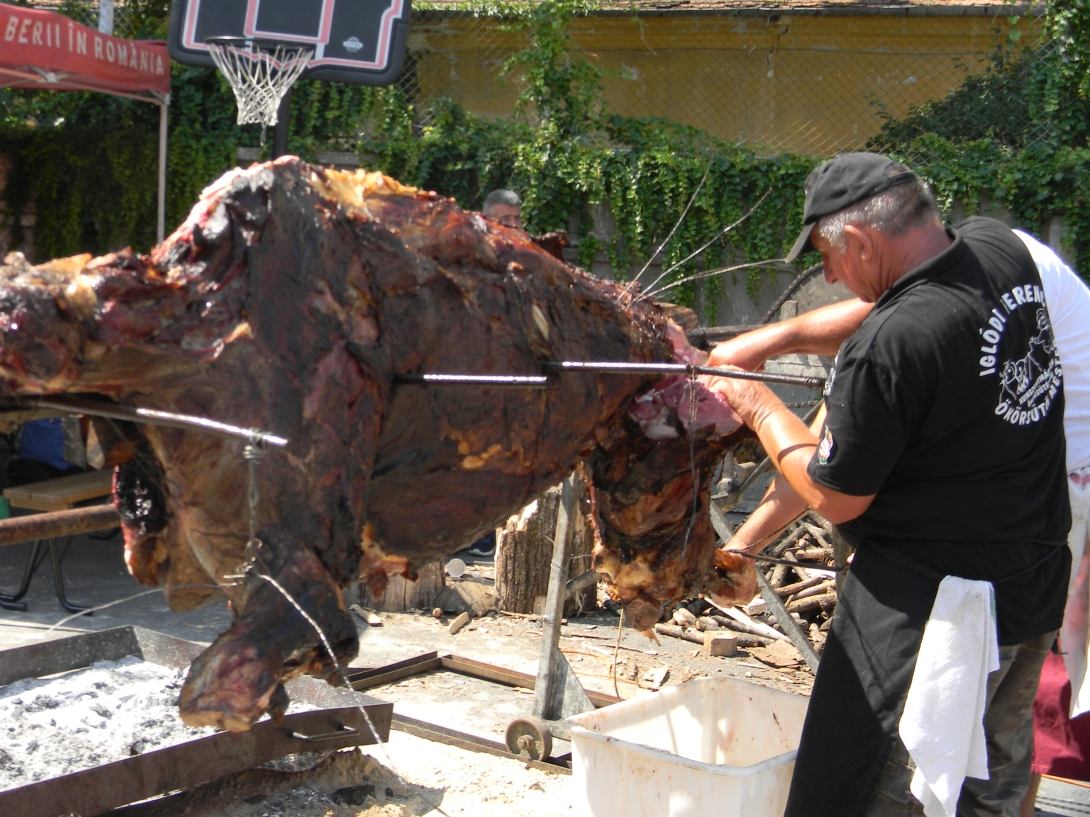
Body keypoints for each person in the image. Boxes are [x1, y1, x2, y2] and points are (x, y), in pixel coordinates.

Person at [704, 152, 1071, 816]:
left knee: (881, 792)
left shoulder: (892, 348)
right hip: (1030, 586)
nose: (828, 275)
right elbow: (911, 314)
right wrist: (772, 340)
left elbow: (837, 493)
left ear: (864, 241)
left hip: (938, 618)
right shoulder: (998, 251)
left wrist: (757, 405)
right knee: (990, 791)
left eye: (829, 257)